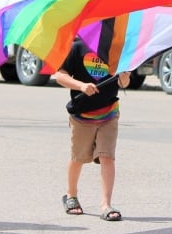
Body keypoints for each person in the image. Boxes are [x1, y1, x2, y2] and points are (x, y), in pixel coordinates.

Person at [54, 39, 131, 221]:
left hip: (109, 114)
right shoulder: (78, 47)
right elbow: (59, 75)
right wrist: (81, 86)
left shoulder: (116, 49)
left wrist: (125, 75)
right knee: (78, 158)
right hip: (82, 116)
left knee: (107, 157)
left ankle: (106, 205)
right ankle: (71, 195)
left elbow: (124, 83)